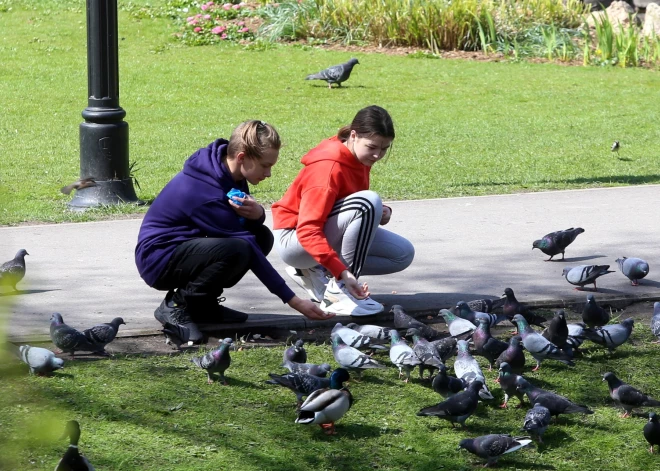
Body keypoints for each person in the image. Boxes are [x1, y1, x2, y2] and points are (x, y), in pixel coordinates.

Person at [135, 120, 332, 343]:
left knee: (261, 237)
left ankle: (203, 305)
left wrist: (258, 214)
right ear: (241, 157)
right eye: (265, 165)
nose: (268, 174)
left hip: (189, 247)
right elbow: (242, 243)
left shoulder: (231, 172)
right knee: (240, 248)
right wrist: (293, 300)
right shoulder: (204, 190)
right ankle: (177, 305)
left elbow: (245, 229)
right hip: (159, 260)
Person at [271, 105, 415, 316]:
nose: (377, 155)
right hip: (295, 241)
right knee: (368, 202)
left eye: (384, 149)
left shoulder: (358, 155)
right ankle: (339, 291)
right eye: (372, 147)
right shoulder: (327, 168)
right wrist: (343, 273)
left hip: (316, 236)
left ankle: (316, 271)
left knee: (402, 254)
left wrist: (380, 211)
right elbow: (308, 230)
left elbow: (344, 202)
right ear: (354, 135)